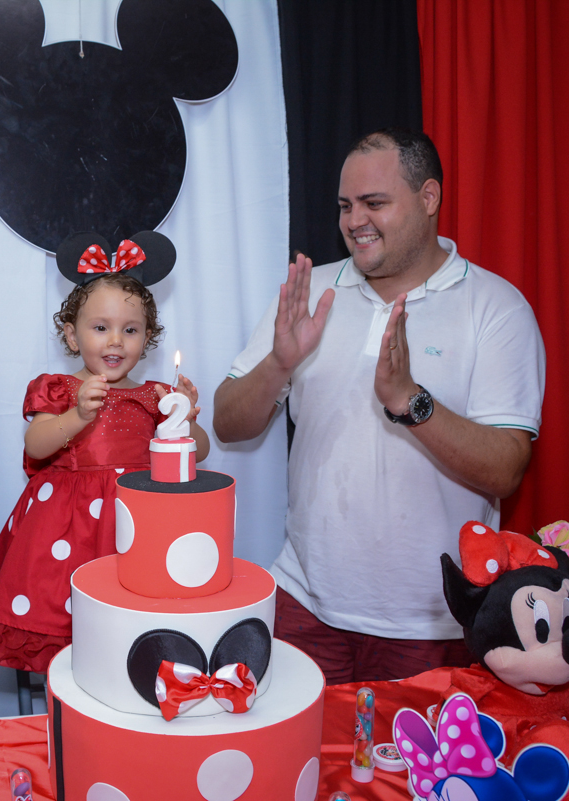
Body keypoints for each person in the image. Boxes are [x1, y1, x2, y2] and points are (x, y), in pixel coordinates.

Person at [213, 128, 545, 684]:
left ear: (429, 198)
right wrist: (278, 363)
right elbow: (229, 423)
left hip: (434, 622)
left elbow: (507, 467)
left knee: (410, 773)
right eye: (346, 205)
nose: (354, 220)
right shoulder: (312, 293)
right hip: (306, 604)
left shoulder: (495, 307)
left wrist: (411, 401)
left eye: (374, 203)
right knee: (295, 768)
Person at [0, 266, 210, 675]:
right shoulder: (60, 388)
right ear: (71, 334)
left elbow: (199, 453)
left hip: (136, 530)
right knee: (70, 642)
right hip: (67, 537)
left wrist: (183, 420)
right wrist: (78, 413)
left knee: (131, 635)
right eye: (101, 327)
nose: (116, 340)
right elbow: (35, 444)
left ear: (147, 337)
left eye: (131, 330)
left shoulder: (154, 396)